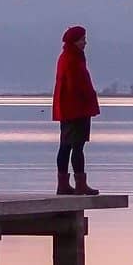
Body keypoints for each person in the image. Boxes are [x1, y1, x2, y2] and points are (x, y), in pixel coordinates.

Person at [53, 25, 101, 194]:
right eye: (82, 39)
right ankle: (79, 184)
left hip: (68, 109)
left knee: (65, 146)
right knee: (77, 147)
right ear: (74, 41)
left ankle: (63, 184)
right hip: (76, 110)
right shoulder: (72, 59)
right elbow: (76, 86)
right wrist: (87, 99)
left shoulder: (66, 57)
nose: (85, 42)